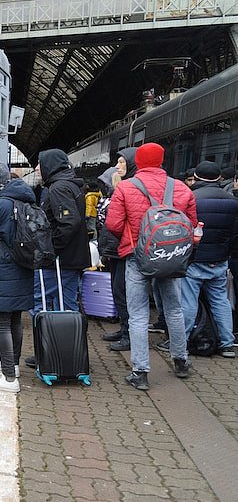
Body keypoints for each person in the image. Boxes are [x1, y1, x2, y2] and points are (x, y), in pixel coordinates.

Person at [106, 143, 197, 390]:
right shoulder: (180, 187)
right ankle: (180, 361)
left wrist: (132, 238)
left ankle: (141, 372)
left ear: (139, 162)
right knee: (174, 309)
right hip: (170, 256)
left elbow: (113, 224)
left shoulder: (125, 187)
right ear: (161, 161)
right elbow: (192, 224)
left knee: (138, 313)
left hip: (137, 256)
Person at [24, 149, 88, 369]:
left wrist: (50, 250)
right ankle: (69, 355)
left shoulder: (58, 188)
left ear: (50, 165)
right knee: (68, 306)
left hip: (58, 262)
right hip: (70, 260)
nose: (36, 169)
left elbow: (69, 223)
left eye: (39, 164)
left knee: (40, 302)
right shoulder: (70, 185)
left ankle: (49, 353)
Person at [0, 162, 36, 393]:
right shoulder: (23, 199)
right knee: (14, 320)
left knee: (1, 323)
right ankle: (14, 366)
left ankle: (9, 379)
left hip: (3, 269)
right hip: (21, 267)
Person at [175, 161, 238, 357]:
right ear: (219, 178)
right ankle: (227, 344)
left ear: (197, 177)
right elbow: (235, 235)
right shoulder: (232, 201)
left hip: (194, 259)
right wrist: (226, 252)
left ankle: (181, 342)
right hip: (219, 259)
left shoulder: (192, 198)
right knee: (221, 301)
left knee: (188, 302)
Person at [99, 148, 137, 350]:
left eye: (122, 162)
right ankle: (124, 330)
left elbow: (117, 223)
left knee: (124, 293)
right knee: (118, 291)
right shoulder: (121, 188)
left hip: (126, 249)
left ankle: (130, 335)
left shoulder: (129, 189)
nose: (117, 166)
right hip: (115, 249)